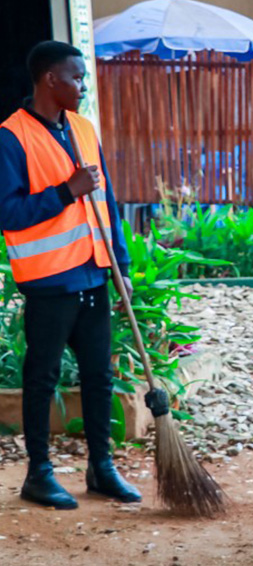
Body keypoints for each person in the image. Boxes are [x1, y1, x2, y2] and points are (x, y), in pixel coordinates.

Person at [0, 41, 141, 510]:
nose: (83, 86)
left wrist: (120, 265)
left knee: (99, 376)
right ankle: (38, 474)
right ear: (50, 81)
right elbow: (9, 212)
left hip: (94, 275)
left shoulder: (83, 128)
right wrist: (66, 191)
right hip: (49, 282)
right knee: (42, 378)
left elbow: (108, 203)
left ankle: (102, 468)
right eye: (77, 78)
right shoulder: (11, 136)